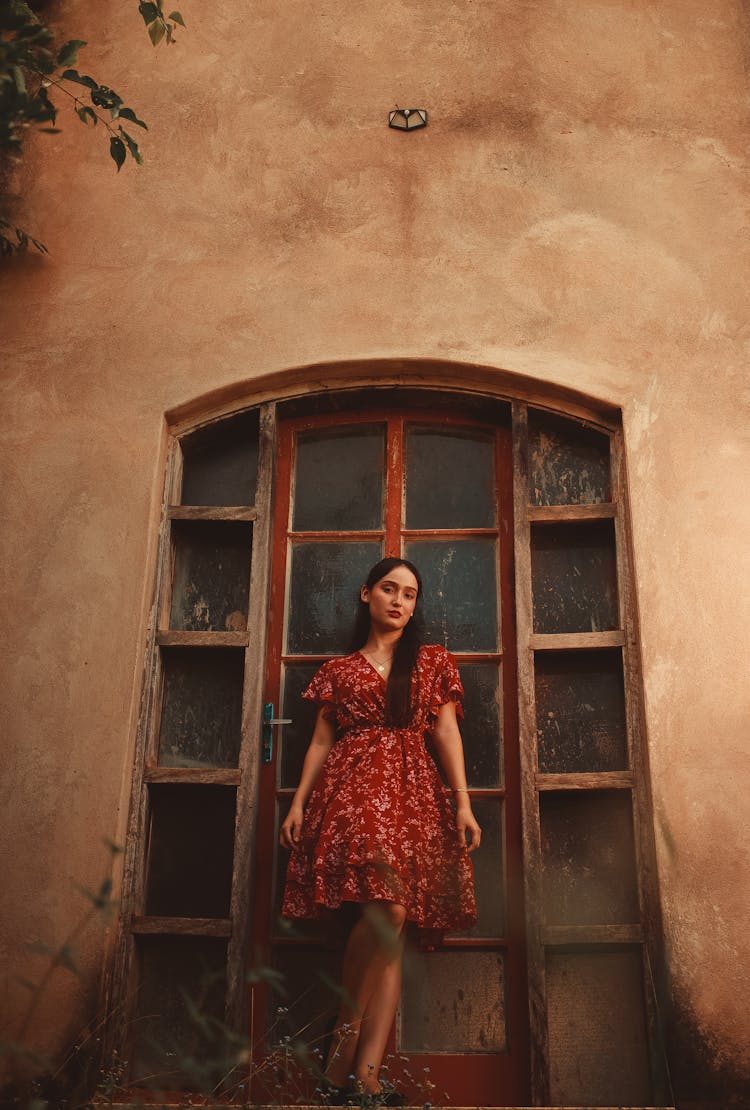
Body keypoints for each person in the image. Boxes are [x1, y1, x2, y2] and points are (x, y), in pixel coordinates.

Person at [279, 556, 481, 1102]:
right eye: (389, 589)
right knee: (386, 909)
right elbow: (320, 742)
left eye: (410, 595)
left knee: (394, 929)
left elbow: (445, 733)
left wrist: (463, 804)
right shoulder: (340, 670)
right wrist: (298, 804)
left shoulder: (432, 661)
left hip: (413, 793)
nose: (399, 601)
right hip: (352, 793)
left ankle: (359, 1076)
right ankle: (343, 1052)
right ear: (367, 594)